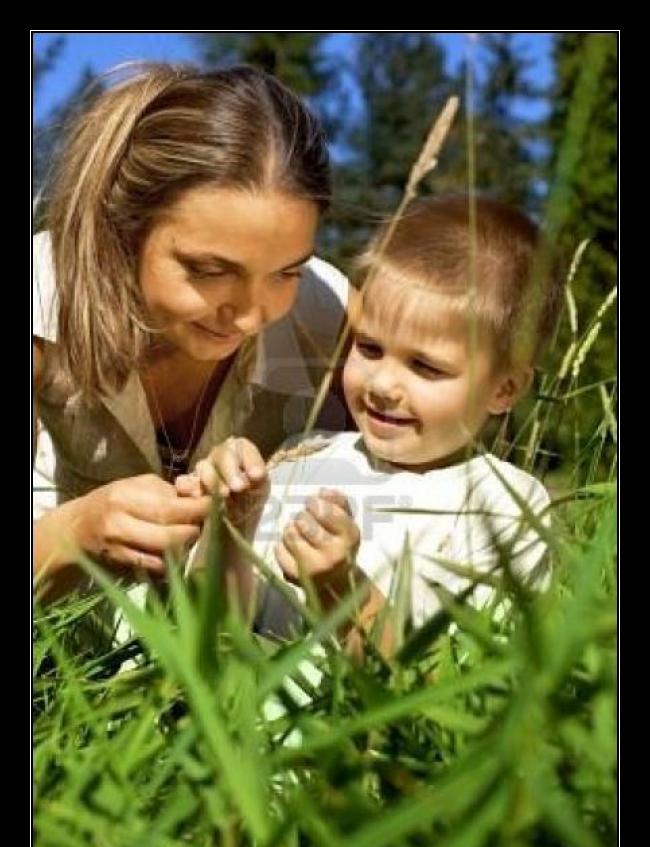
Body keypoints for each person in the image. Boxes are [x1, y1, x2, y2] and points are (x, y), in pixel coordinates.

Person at [182, 196, 562, 653]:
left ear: (504, 389)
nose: (382, 383)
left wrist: (342, 592)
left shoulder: (503, 508)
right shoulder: (302, 455)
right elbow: (218, 630)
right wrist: (232, 525)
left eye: (425, 367)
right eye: (369, 348)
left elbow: (449, 684)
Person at [33, 62, 351, 598]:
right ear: (124, 231)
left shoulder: (328, 313)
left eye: (287, 271)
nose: (251, 317)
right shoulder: (42, 304)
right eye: (208, 270)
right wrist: (74, 533)